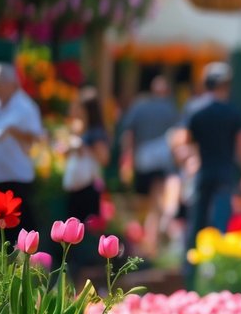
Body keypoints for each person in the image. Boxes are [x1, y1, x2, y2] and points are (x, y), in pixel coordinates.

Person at [180, 62, 241, 285]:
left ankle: (191, 277)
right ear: (226, 85)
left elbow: (185, 145)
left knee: (196, 226)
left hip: (202, 175)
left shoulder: (195, 109)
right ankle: (219, 277)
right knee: (220, 226)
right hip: (224, 175)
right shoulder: (232, 112)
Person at [119, 75, 180, 260]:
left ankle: (148, 241)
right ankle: (158, 232)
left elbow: (128, 134)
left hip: (143, 160)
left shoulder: (140, 107)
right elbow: (178, 137)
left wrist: (126, 159)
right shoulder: (170, 108)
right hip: (162, 160)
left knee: (146, 203)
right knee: (156, 201)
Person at [0, 62, 44, 233]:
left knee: (20, 229)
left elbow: (36, 137)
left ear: (11, 84)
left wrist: (14, 132)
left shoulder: (26, 107)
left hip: (15, 177)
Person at [62, 86, 110, 226]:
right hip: (75, 187)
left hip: (88, 188)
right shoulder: (81, 129)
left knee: (86, 229)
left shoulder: (96, 134)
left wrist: (85, 148)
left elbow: (104, 158)